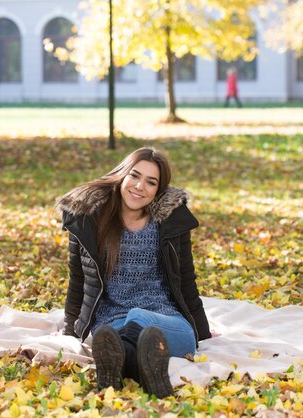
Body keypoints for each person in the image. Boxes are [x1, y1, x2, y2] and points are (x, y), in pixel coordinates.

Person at [56, 148, 211, 398]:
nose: (140, 186)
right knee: (123, 336)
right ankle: (148, 374)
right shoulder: (88, 219)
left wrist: (202, 331)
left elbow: (186, 279)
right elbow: (78, 279)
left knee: (140, 324)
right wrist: (70, 330)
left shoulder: (171, 220)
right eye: (135, 176)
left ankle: (119, 366)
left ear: (158, 190)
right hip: (113, 320)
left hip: (169, 321)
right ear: (122, 175)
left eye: (151, 182)